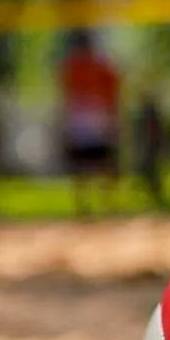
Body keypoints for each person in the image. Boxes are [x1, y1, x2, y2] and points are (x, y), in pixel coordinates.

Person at [59, 31, 121, 213]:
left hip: (91, 120)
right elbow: (67, 96)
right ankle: (95, 204)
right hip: (86, 120)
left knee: (98, 164)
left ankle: (100, 204)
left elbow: (112, 94)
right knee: (88, 165)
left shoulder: (94, 68)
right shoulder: (76, 68)